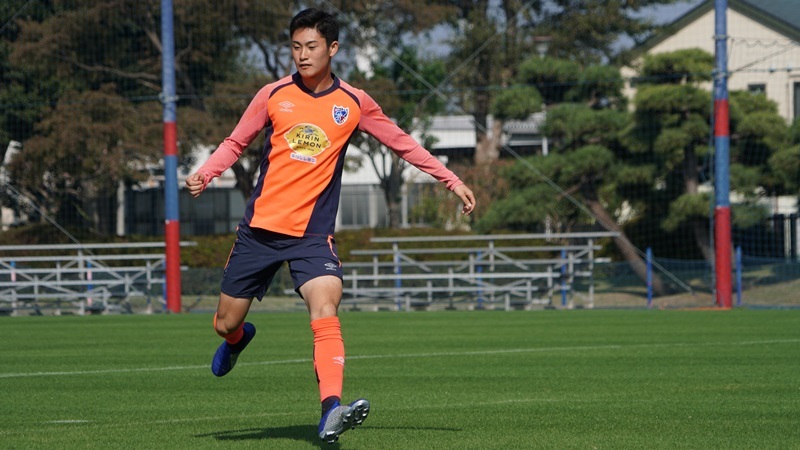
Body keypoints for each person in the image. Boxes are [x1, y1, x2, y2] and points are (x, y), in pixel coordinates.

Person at [185, 7, 476, 445]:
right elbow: (235, 141)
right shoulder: (272, 94)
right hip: (259, 232)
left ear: (333, 48)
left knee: (326, 311)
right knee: (225, 323)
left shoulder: (354, 103)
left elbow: (403, 144)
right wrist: (207, 172)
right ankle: (238, 340)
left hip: (312, 237)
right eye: (296, 47)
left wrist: (451, 179)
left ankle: (330, 410)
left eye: (312, 46)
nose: (302, 55)